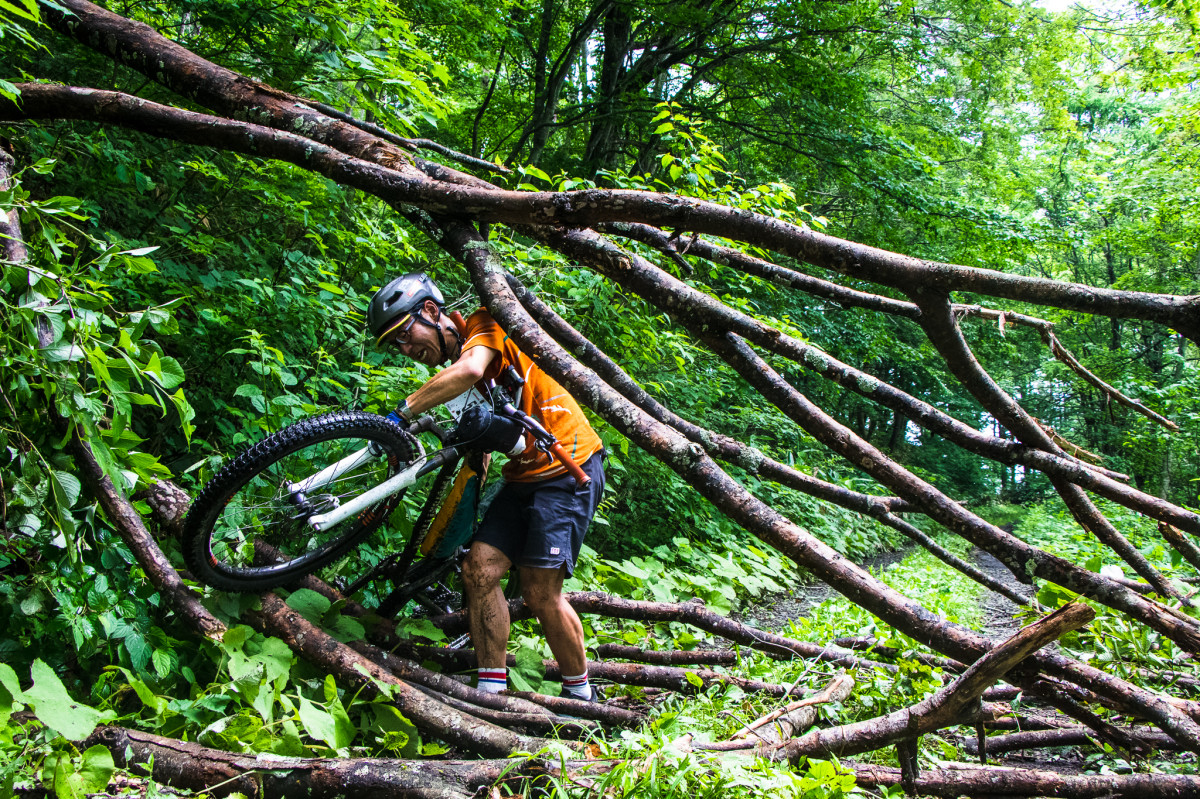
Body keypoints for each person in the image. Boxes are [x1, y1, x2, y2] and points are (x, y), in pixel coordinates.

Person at [367, 272, 606, 701]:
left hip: (568, 470)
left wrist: (399, 415)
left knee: (538, 590)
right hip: (522, 478)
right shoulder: (460, 376)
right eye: (396, 346)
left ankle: (581, 696)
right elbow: (483, 441)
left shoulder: (484, 324)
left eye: (405, 334)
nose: (406, 350)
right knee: (479, 570)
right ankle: (489, 690)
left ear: (430, 311)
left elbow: (472, 367)